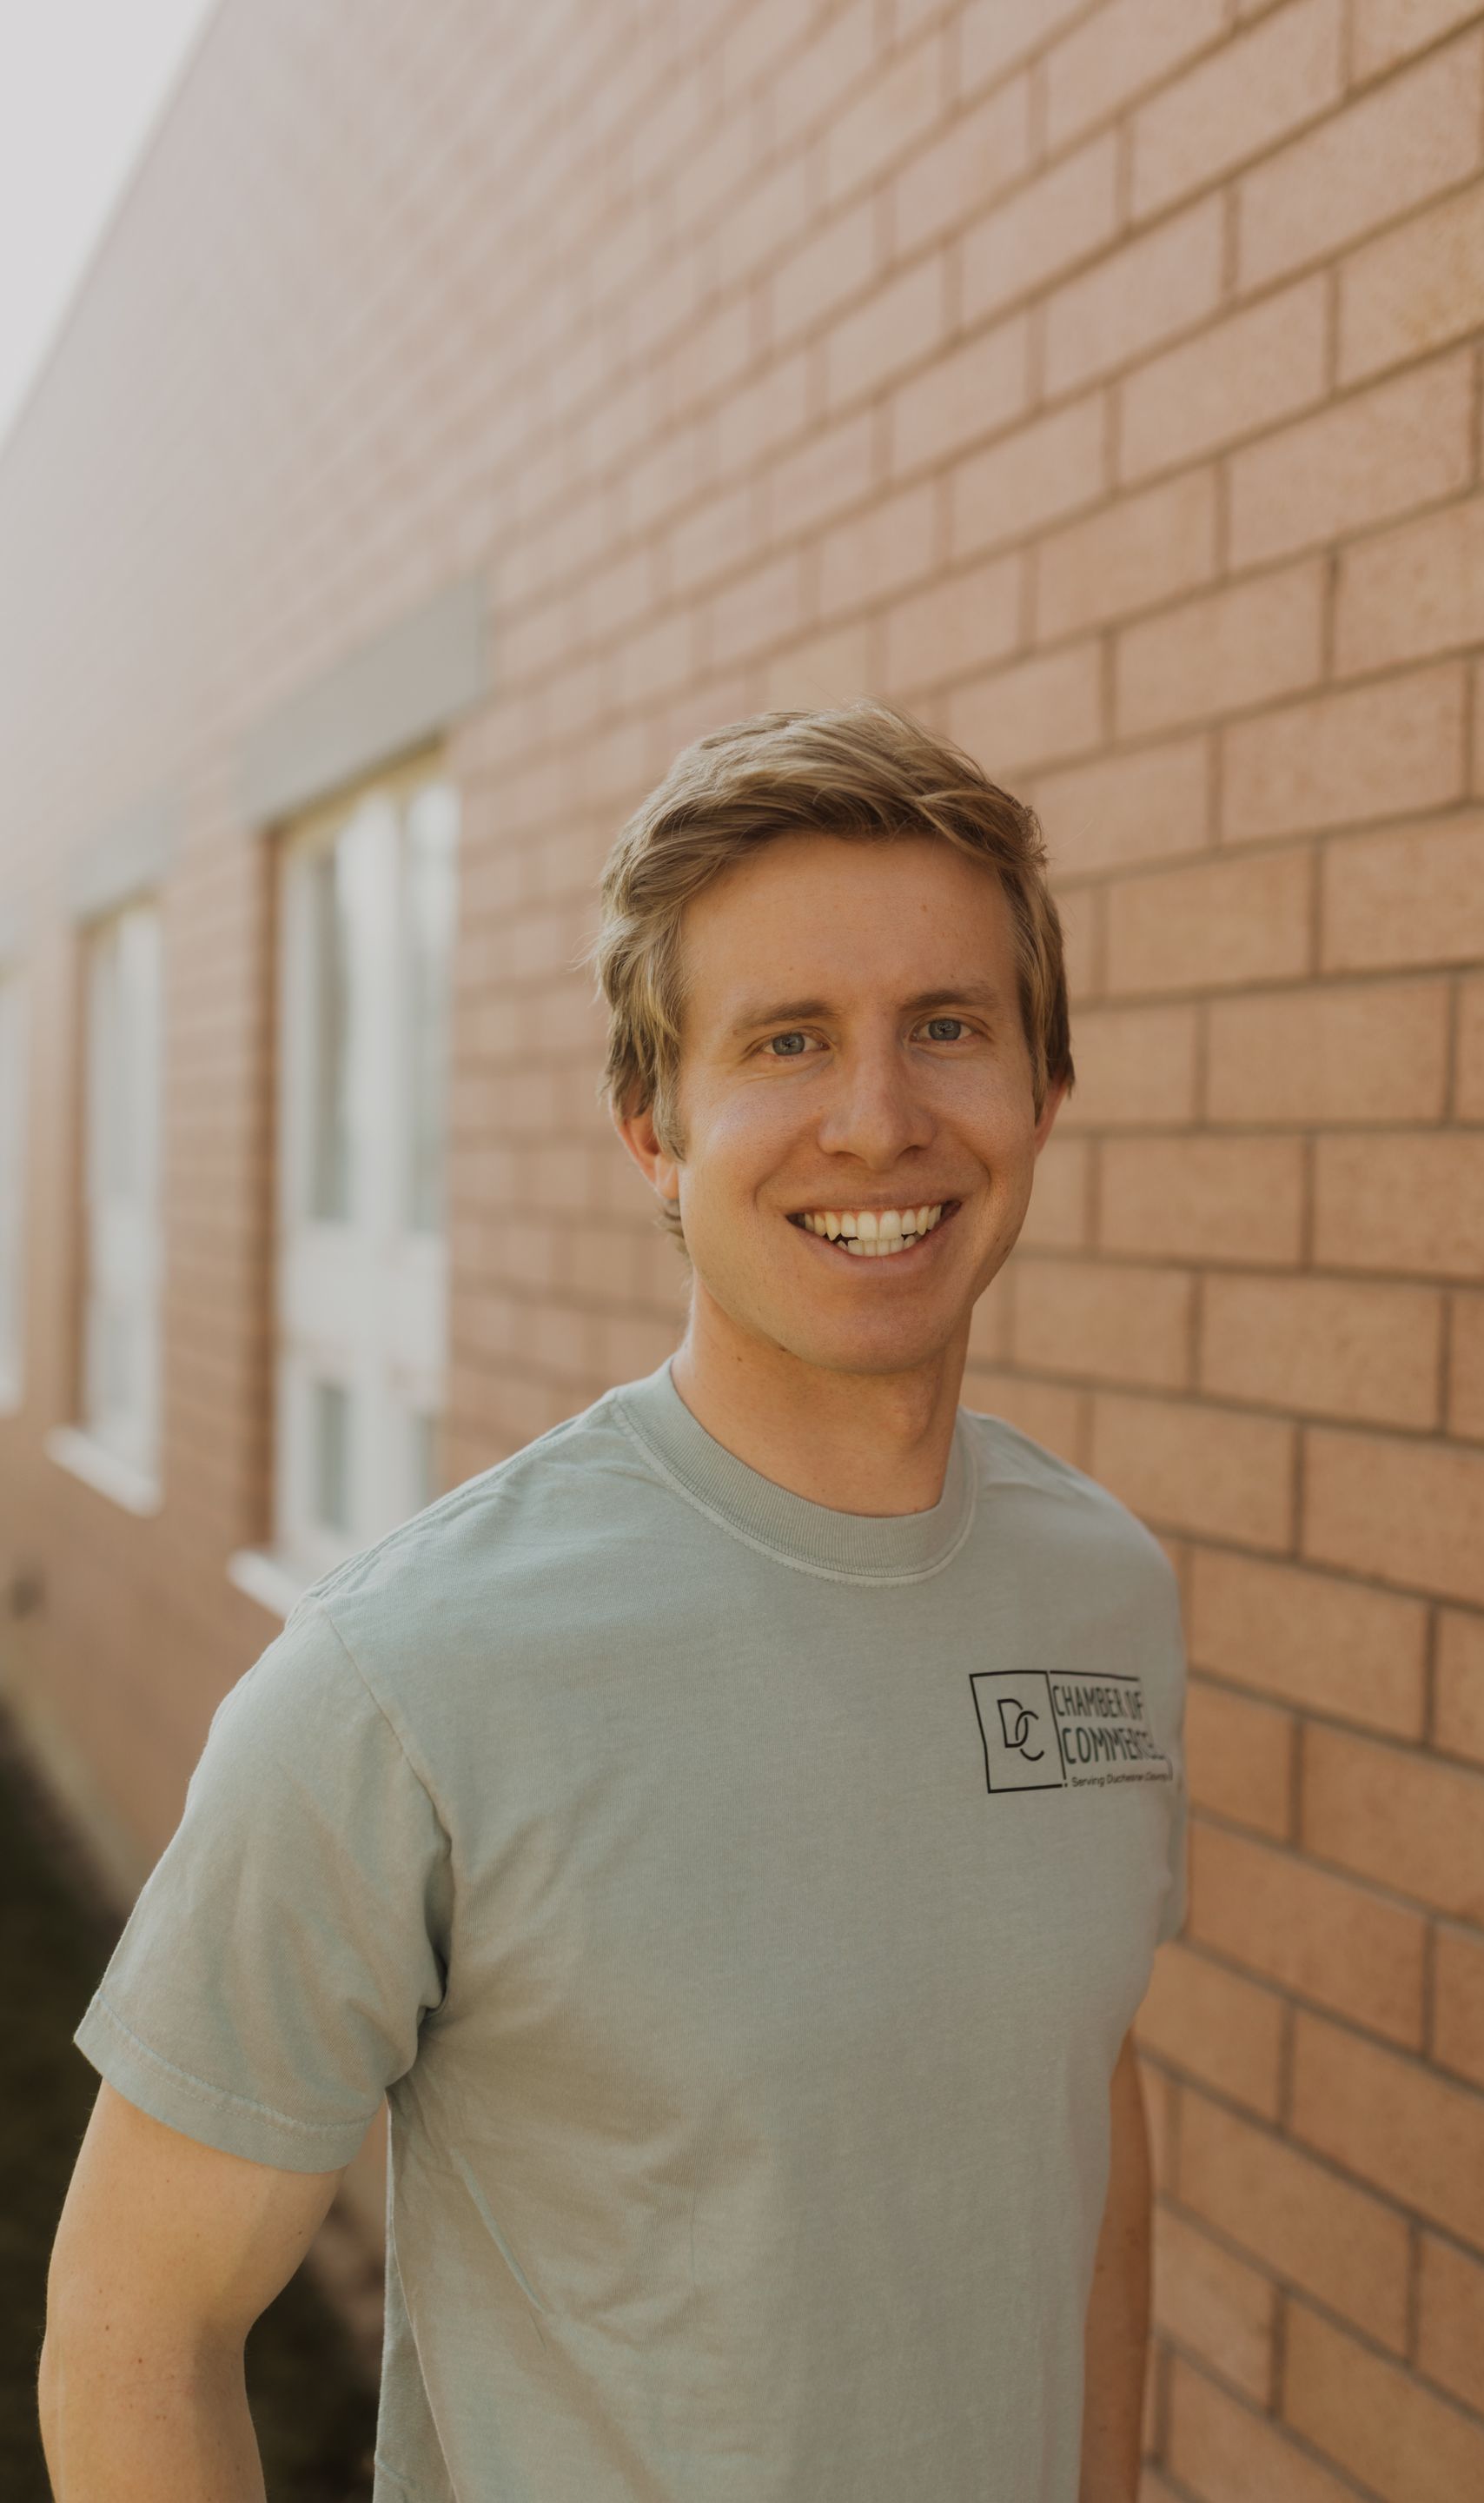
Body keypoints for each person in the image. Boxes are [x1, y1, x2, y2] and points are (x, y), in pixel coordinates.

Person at [39, 700, 1189, 2502]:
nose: (878, 1121)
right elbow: (133, 2329)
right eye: (787, 1042)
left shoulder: (1103, 1593)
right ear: (652, 1127)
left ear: (1045, 1087)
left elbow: (1077, 2122)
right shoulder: (407, 1677)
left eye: (947, 1029)